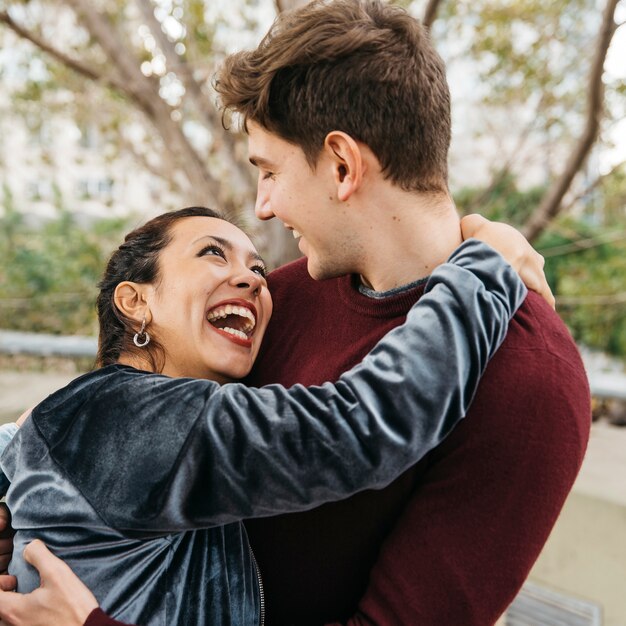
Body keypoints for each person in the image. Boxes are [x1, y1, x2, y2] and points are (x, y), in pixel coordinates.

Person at [0, 0, 591, 624]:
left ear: (342, 166)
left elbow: (359, 431)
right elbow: (90, 443)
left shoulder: (531, 377)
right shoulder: (284, 299)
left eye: (269, 171)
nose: (262, 206)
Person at [0, 204, 532, 626]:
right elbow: (360, 427)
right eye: (214, 253)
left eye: (258, 269)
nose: (253, 280)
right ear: (135, 301)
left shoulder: (85, 416)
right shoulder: (116, 411)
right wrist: (486, 269)